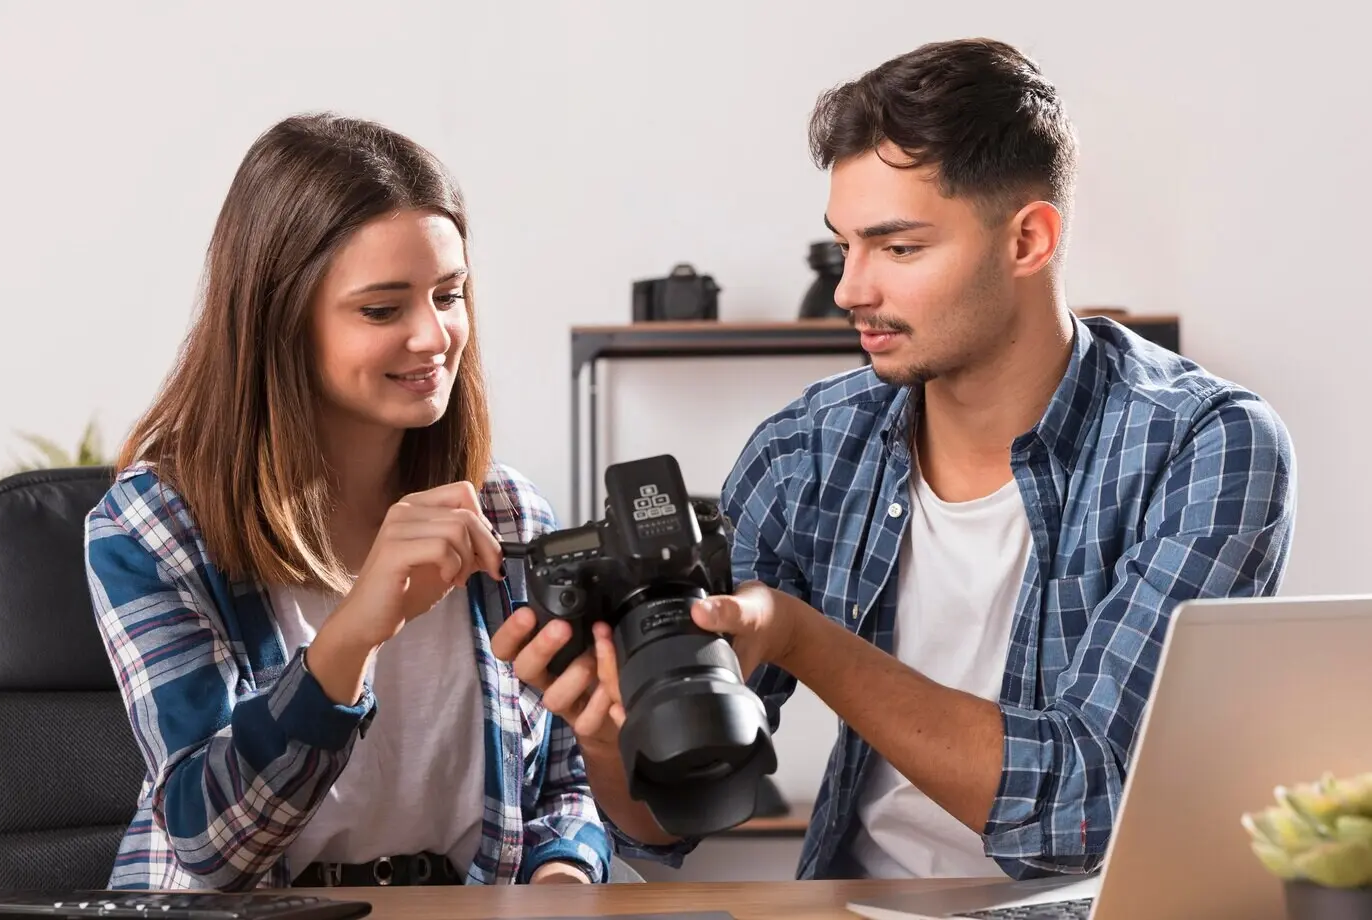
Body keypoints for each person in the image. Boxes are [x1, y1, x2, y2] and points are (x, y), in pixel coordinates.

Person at [491, 38, 1297, 881]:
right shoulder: (806, 450)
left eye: (898, 248)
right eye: (845, 246)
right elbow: (664, 827)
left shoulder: (1205, 444)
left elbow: (1088, 808)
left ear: (1028, 239)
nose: (850, 290)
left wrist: (802, 638)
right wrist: (609, 736)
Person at [85, 113, 611, 891]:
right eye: (382, 309)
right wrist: (357, 629)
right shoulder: (154, 529)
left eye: (449, 294)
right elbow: (209, 842)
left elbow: (564, 783)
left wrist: (562, 877)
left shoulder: (507, 512)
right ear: (279, 319)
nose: (434, 337)